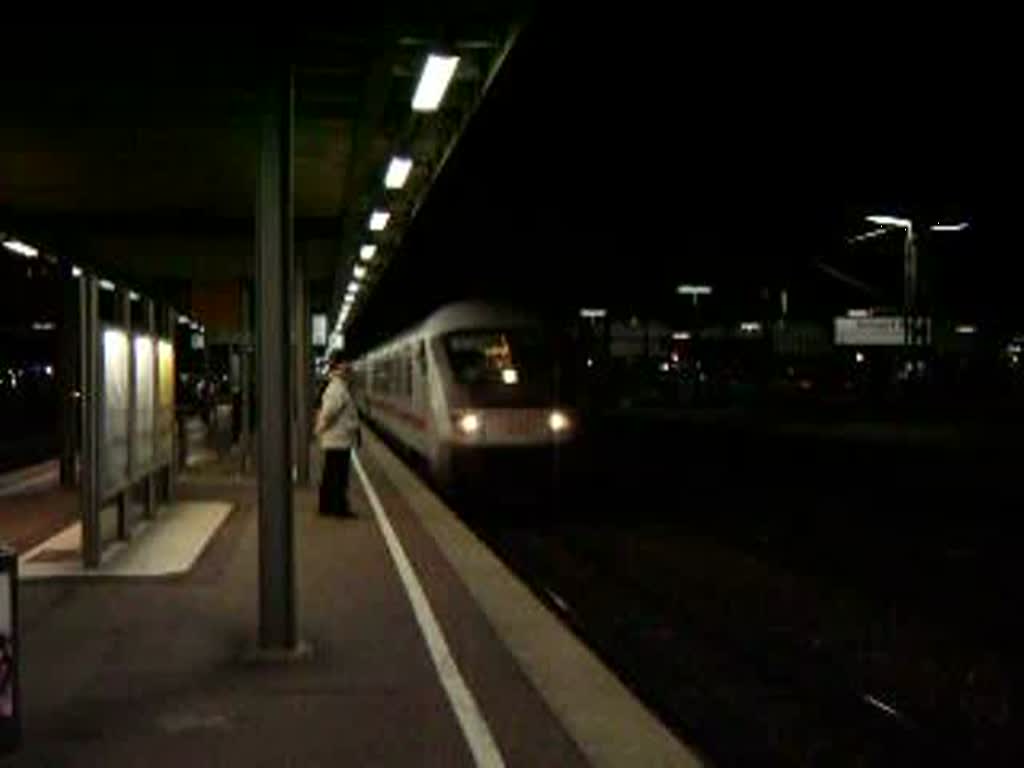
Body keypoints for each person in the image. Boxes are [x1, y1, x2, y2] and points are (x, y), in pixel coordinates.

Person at [315, 350, 361, 517]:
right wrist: (321, 427)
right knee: (338, 477)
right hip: (338, 439)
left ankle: (327, 506)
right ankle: (338, 508)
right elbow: (329, 412)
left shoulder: (337, 386)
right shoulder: (337, 388)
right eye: (346, 363)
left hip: (337, 438)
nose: (349, 367)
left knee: (331, 475)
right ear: (340, 365)